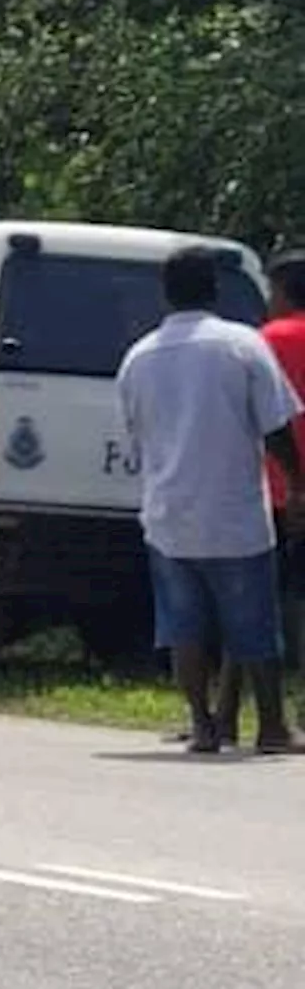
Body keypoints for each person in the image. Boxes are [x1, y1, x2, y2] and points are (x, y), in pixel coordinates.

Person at [117, 247, 305, 754]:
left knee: (184, 627)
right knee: (253, 626)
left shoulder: (139, 357)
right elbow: (276, 427)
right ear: (215, 289)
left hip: (168, 514)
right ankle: (272, 727)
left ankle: (203, 725)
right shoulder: (241, 346)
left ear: (166, 292)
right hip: (234, 511)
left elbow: (136, 434)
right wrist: (297, 485)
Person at [208, 250, 305, 740]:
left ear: (283, 291)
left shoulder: (263, 343)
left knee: (251, 605)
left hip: (276, 488)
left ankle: (227, 715)